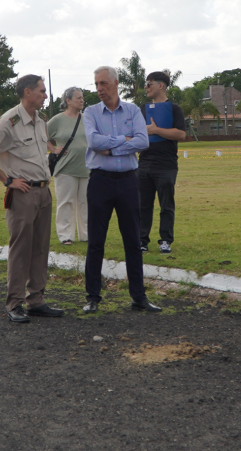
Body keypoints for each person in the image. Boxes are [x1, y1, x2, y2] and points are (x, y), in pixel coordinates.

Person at [0, 74, 65, 323]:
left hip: (44, 191)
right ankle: (14, 303)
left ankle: (36, 300)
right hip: (23, 193)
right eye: (42, 91)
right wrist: (8, 181)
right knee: (21, 249)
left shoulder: (40, 120)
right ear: (28, 92)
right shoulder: (9, 121)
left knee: (40, 248)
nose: (45, 95)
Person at [81, 66, 160, 313]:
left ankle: (138, 296)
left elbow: (143, 141)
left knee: (133, 241)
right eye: (96, 84)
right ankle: (92, 297)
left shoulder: (133, 110)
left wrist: (112, 149)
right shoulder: (90, 112)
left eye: (103, 83)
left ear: (116, 83)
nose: (99, 88)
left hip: (128, 181)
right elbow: (94, 142)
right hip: (100, 181)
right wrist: (125, 141)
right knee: (96, 241)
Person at [138, 71, 186, 254]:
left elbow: (181, 134)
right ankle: (141, 240)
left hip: (166, 164)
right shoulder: (142, 109)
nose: (146, 87)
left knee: (166, 204)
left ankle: (165, 240)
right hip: (144, 162)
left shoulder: (174, 109)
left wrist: (156, 130)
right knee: (143, 205)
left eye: (149, 84)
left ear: (161, 86)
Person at [47, 87, 90, 244]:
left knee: (86, 203)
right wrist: (53, 149)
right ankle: (66, 235)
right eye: (78, 98)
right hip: (65, 169)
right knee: (66, 202)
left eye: (82, 97)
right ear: (68, 101)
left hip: (86, 168)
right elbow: (41, 136)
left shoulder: (87, 119)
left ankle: (86, 235)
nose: (82, 100)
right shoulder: (57, 120)